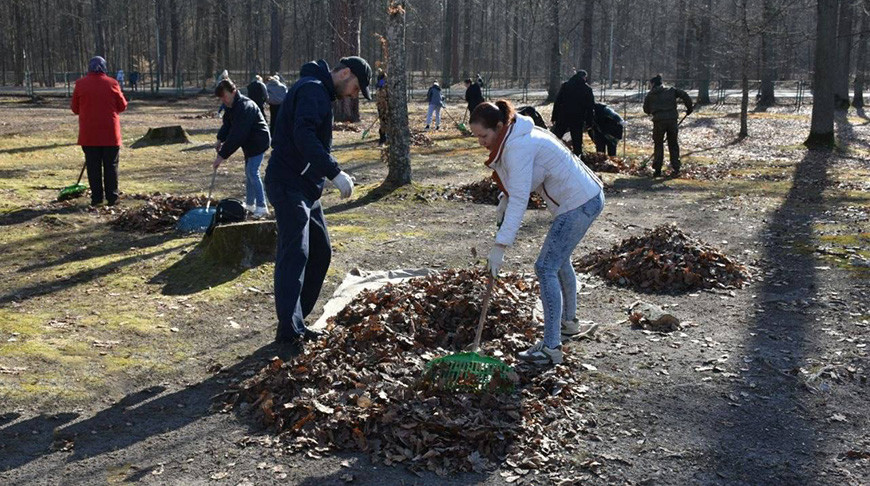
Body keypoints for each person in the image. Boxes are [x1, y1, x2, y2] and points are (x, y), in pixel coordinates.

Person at [469, 100, 605, 366]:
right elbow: (534, 177)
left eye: (483, 136)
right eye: (476, 137)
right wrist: (504, 197)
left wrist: (500, 246)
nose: (481, 142)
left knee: (545, 267)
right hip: (585, 197)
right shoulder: (518, 134)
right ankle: (568, 322)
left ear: (498, 127)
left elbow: (521, 198)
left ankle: (551, 347)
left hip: (579, 203)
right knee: (558, 260)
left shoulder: (518, 146)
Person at [264, 56, 370, 350]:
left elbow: (306, 140)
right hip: (287, 184)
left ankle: (297, 320)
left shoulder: (317, 90)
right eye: (355, 87)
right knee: (294, 252)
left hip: (305, 186)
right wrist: (333, 172)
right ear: (345, 73)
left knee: (320, 250)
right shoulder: (313, 89)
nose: (353, 94)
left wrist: (318, 175)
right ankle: (289, 330)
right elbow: (303, 134)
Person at [71, 56, 128, 206]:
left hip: (89, 135)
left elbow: (75, 109)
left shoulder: (80, 84)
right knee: (111, 166)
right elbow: (122, 106)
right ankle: (112, 197)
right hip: (110, 134)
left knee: (93, 167)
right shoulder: (112, 83)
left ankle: (96, 198)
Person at [213, 78, 271, 218]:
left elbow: (237, 135)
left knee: (252, 172)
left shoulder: (245, 106)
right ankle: (250, 205)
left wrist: (222, 155)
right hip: (249, 143)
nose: (224, 101)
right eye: (221, 99)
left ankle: (262, 207)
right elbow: (228, 125)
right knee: (249, 173)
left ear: (233, 92)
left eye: (225, 97)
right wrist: (220, 138)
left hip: (258, 141)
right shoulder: (232, 106)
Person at [643, 74, 693, 177]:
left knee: (658, 145)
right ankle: (676, 167)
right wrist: (689, 108)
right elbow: (684, 95)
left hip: (658, 122)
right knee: (673, 144)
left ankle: (657, 169)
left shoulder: (650, 95)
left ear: (653, 84)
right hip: (672, 121)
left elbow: (646, 110)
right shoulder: (671, 90)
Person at [551, 70, 595, 156]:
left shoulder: (566, 85)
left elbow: (558, 102)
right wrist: (589, 122)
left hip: (563, 116)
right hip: (578, 118)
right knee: (577, 142)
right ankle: (577, 159)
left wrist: (554, 117)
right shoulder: (587, 89)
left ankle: (550, 154)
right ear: (584, 77)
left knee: (555, 138)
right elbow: (590, 107)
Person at [375, 70, 390, 146]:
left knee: (383, 123)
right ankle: (383, 139)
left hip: (382, 106)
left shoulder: (380, 84)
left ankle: (384, 139)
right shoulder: (382, 84)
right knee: (384, 123)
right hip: (383, 106)